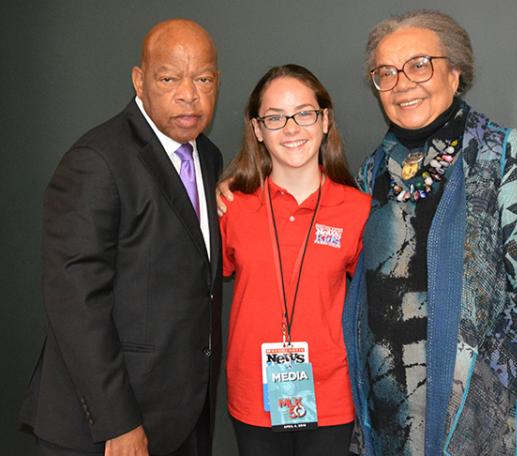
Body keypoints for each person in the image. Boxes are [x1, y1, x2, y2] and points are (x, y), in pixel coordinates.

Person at [341, 10, 517, 456]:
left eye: (419, 64)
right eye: (386, 73)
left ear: (454, 73)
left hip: (482, 415)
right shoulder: (374, 171)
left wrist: (486, 379)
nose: (402, 83)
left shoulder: (505, 156)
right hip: (392, 413)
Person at [20, 19, 223, 456]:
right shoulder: (96, 161)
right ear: (139, 80)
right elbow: (75, 302)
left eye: (203, 78)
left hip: (181, 417)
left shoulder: (206, 155)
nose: (189, 94)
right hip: (105, 430)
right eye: (169, 78)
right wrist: (119, 422)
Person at [218, 64, 370, 456]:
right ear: (257, 130)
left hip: (333, 395)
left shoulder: (358, 209)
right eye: (275, 117)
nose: (291, 128)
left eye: (304, 113)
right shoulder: (231, 206)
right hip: (254, 394)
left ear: (324, 121)